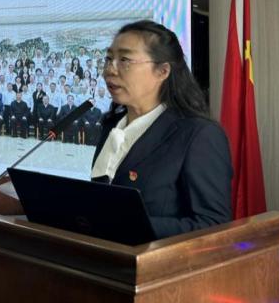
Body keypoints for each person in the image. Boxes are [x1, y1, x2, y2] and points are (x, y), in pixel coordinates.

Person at [91, 20, 232, 239]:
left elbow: (213, 224)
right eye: (109, 59)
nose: (110, 70)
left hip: (156, 259)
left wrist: (127, 225)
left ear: (163, 71)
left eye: (125, 60)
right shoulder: (112, 124)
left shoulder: (199, 135)